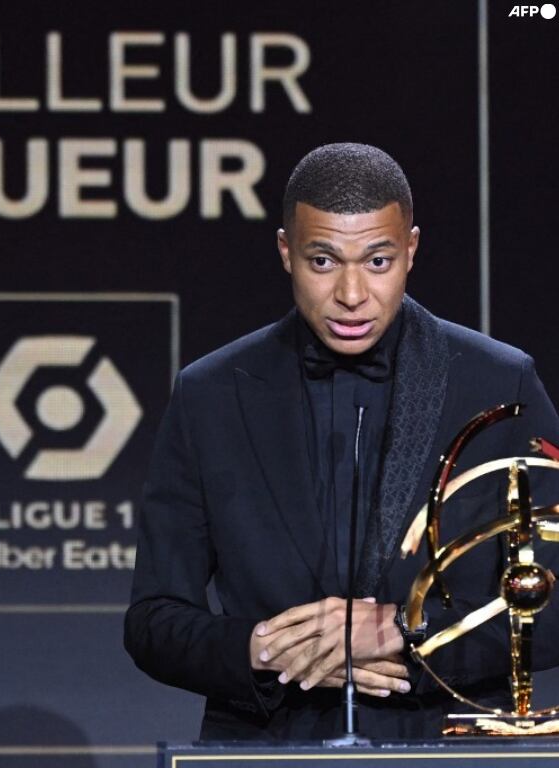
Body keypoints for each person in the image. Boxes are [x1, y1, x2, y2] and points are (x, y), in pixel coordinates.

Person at [123, 143, 559, 740]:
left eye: (377, 262)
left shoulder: (498, 384)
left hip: (445, 744)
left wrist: (405, 632)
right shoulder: (210, 394)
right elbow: (153, 621)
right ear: (286, 253)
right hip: (270, 745)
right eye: (323, 261)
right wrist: (268, 648)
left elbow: (555, 607)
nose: (352, 294)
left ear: (410, 250)